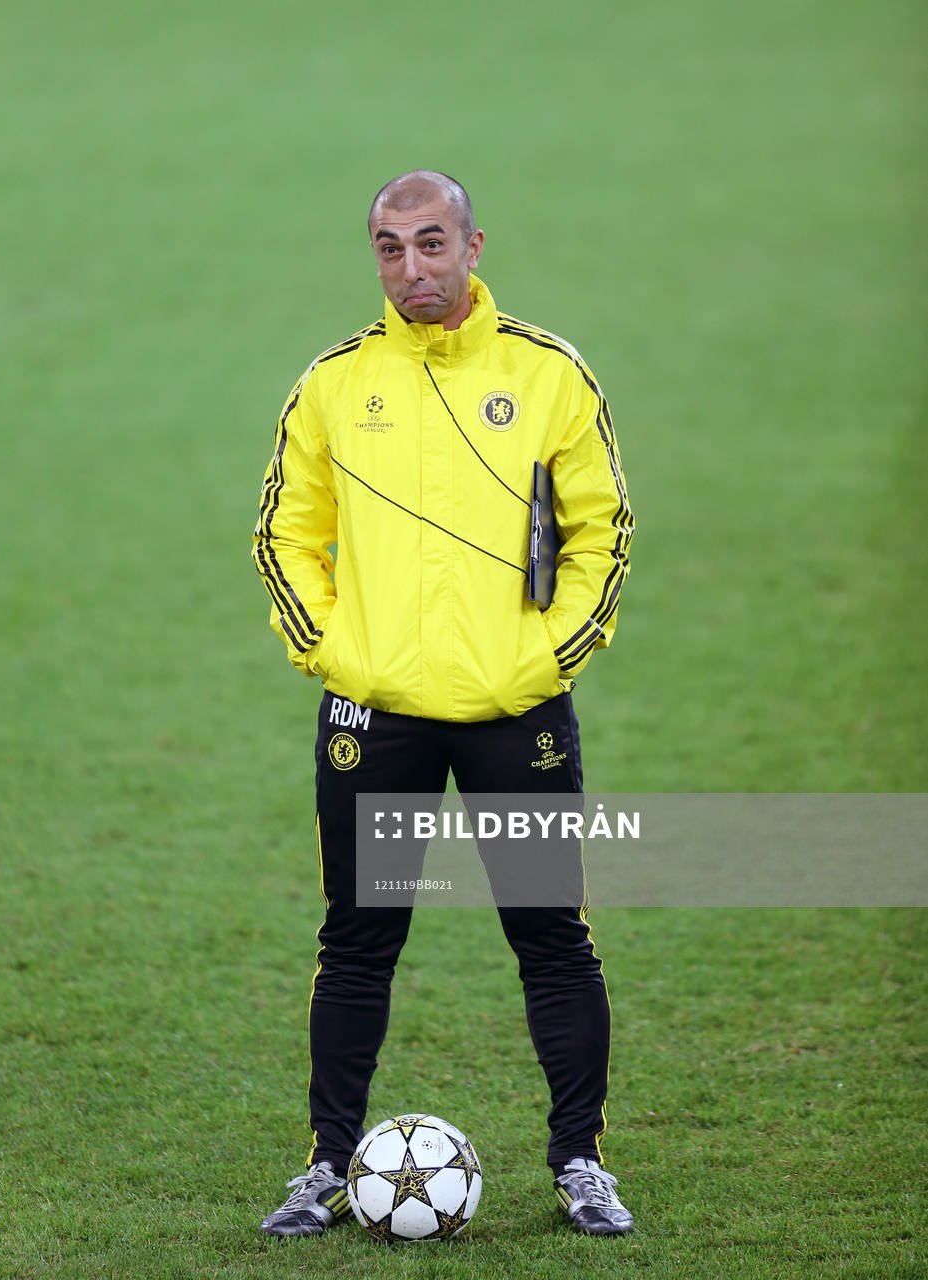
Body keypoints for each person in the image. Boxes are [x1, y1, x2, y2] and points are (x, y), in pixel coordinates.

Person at [252, 170, 635, 1238]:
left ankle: (578, 1163)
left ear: (472, 246)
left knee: (552, 939)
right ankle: (326, 1165)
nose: (410, 268)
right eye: (388, 247)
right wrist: (336, 652)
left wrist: (540, 658)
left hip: (516, 715)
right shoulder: (333, 383)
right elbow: (284, 532)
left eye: (430, 243)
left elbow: (604, 530)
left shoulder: (549, 375)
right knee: (357, 943)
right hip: (375, 722)